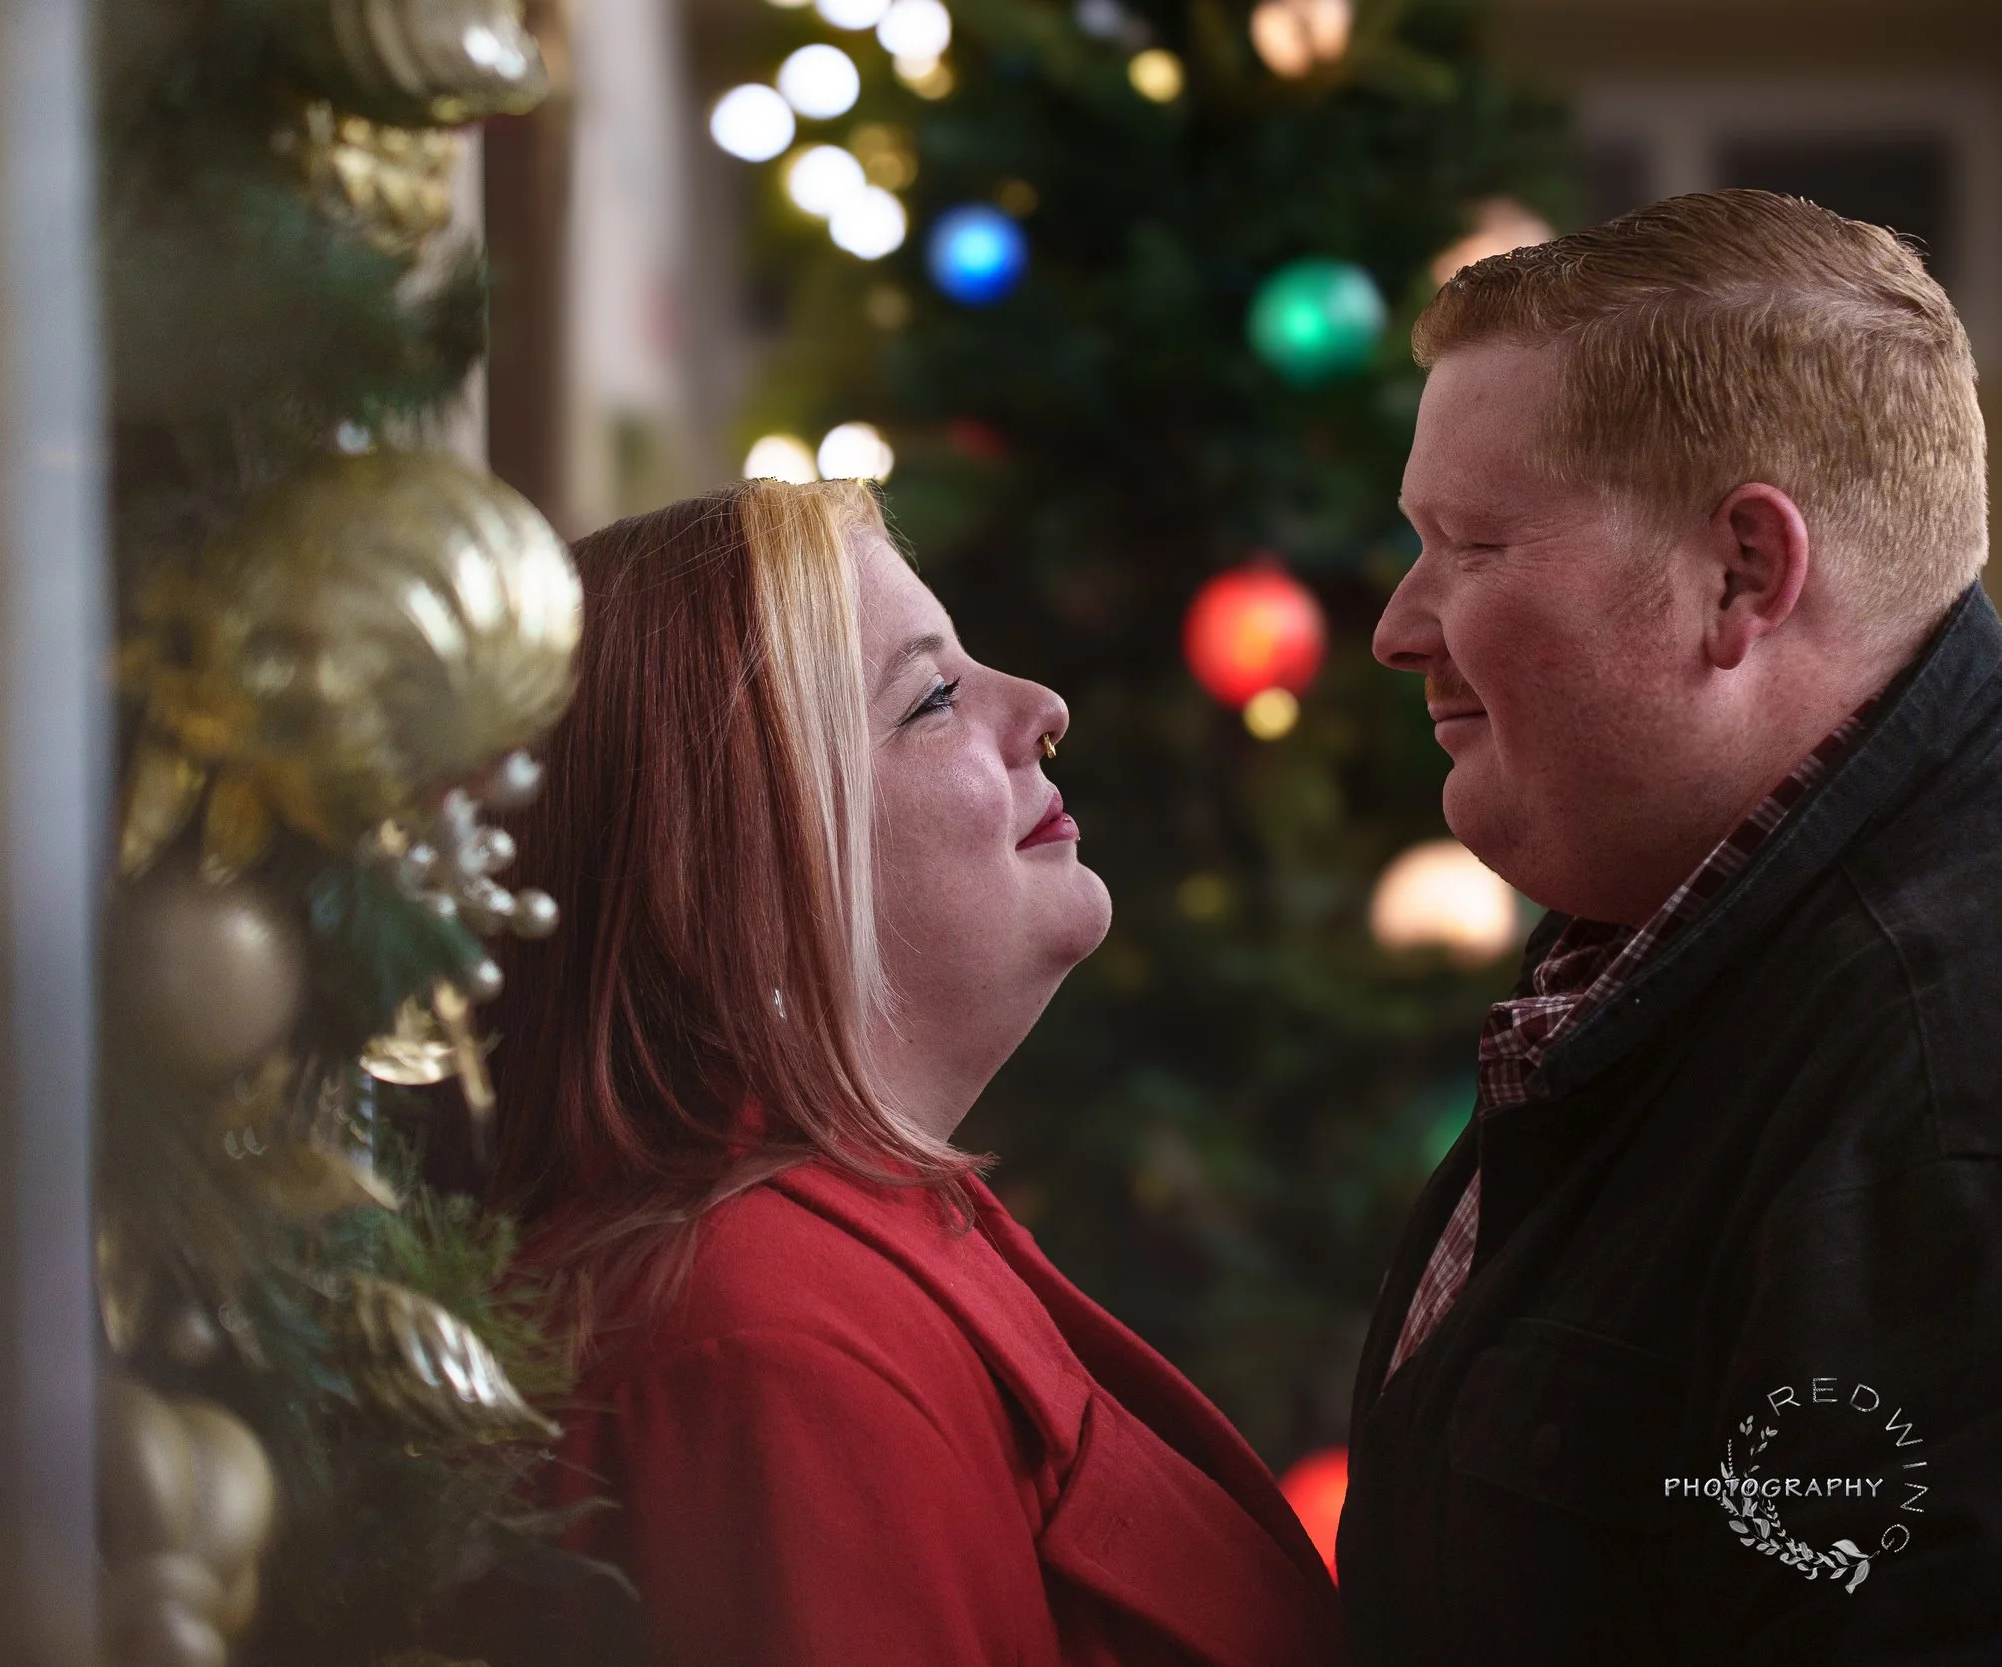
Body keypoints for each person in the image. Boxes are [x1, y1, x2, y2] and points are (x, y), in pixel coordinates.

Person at [473, 481, 1343, 1667]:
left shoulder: (833, 1247)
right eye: (931, 696)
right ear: (733, 871)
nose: (1043, 708)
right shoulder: (763, 1350)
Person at [1345, 189, 2002, 1663]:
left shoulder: (1942, 1090)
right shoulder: (1678, 922)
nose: (1397, 625)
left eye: (1467, 543)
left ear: (1743, 575)